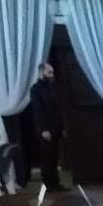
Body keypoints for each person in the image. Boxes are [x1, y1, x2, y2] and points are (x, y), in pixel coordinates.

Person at [30, 62, 65, 191]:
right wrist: (43, 129)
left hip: (56, 128)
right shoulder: (36, 89)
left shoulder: (52, 88)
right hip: (45, 130)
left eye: (52, 72)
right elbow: (37, 111)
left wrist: (62, 127)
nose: (52, 75)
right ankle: (48, 185)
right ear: (41, 73)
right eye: (49, 72)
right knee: (47, 158)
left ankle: (56, 183)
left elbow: (57, 109)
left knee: (54, 157)